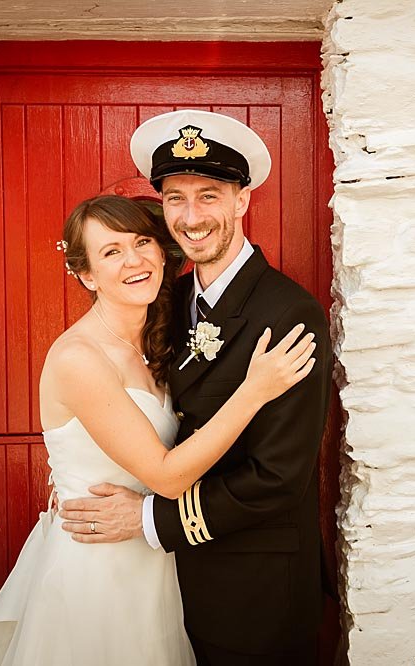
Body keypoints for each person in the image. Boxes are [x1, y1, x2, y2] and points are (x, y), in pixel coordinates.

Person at [0, 195, 316, 665]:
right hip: (100, 566)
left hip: (160, 563)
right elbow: (166, 475)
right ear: (86, 274)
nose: (134, 260)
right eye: (111, 251)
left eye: (142, 242)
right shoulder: (78, 358)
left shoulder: (160, 335)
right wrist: (254, 390)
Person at [58, 110, 333, 665]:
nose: (191, 217)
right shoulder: (170, 300)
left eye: (209, 196)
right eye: (175, 199)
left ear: (242, 200)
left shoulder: (288, 313)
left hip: (253, 591)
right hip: (165, 585)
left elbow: (279, 477)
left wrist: (148, 519)